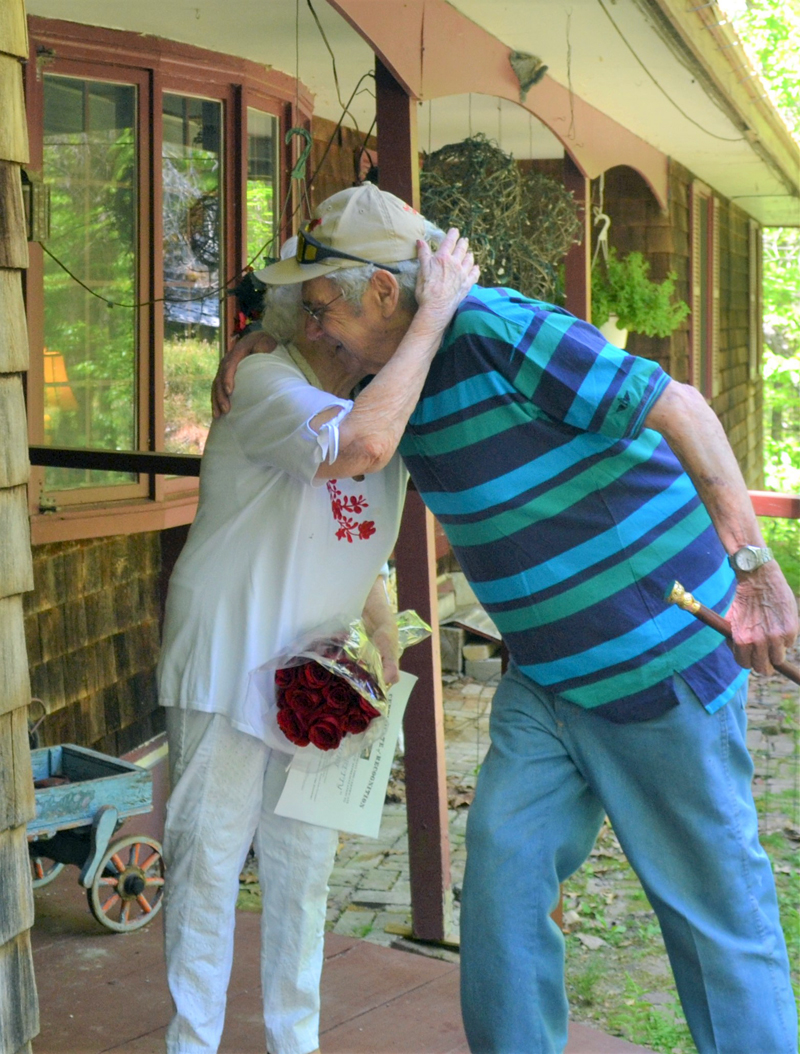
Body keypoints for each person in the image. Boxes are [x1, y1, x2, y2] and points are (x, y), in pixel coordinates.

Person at [216, 182, 799, 1054]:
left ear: (384, 290)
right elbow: (317, 392)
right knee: (501, 890)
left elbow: (679, 404)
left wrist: (754, 568)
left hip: (653, 663)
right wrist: (254, 342)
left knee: (713, 914)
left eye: (321, 302)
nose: (313, 323)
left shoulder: (493, 329)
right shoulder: (389, 369)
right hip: (544, 679)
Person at [157, 226, 478, 1054]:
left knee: (302, 879)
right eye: (317, 307)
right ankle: (191, 1045)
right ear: (307, 320)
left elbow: (344, 536)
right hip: (229, 664)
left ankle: (293, 1043)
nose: (327, 324)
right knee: (207, 872)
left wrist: (377, 637)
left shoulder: (384, 386)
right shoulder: (266, 378)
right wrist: (433, 317)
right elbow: (357, 446)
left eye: (331, 304)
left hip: (316, 681)